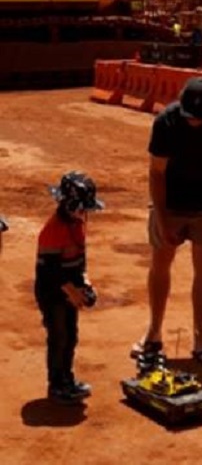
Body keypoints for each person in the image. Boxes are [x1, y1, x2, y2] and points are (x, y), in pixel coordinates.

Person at [133, 75, 202, 370]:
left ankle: (200, 339)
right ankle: (154, 332)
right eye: (190, 117)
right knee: (160, 264)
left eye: (201, 118)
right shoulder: (166, 122)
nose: (195, 122)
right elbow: (156, 173)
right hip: (170, 203)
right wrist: (161, 215)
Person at [35, 171, 103, 403]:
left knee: (71, 335)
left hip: (68, 288)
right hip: (51, 292)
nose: (84, 213)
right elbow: (51, 273)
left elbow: (80, 263)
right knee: (59, 336)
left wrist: (86, 285)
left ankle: (67, 379)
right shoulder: (52, 231)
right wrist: (73, 293)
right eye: (81, 208)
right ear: (67, 205)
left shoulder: (79, 223)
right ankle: (57, 385)